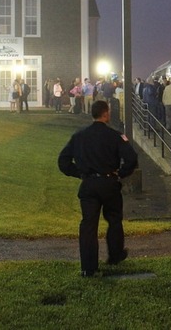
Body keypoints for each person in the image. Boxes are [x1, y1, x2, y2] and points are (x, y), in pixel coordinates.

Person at [58, 100, 138, 277]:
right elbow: (131, 159)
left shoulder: (79, 136)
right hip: (109, 183)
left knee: (88, 225)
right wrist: (120, 174)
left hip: (88, 185)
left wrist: (79, 173)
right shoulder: (115, 136)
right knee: (114, 220)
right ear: (106, 113)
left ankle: (88, 267)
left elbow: (63, 162)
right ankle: (115, 255)